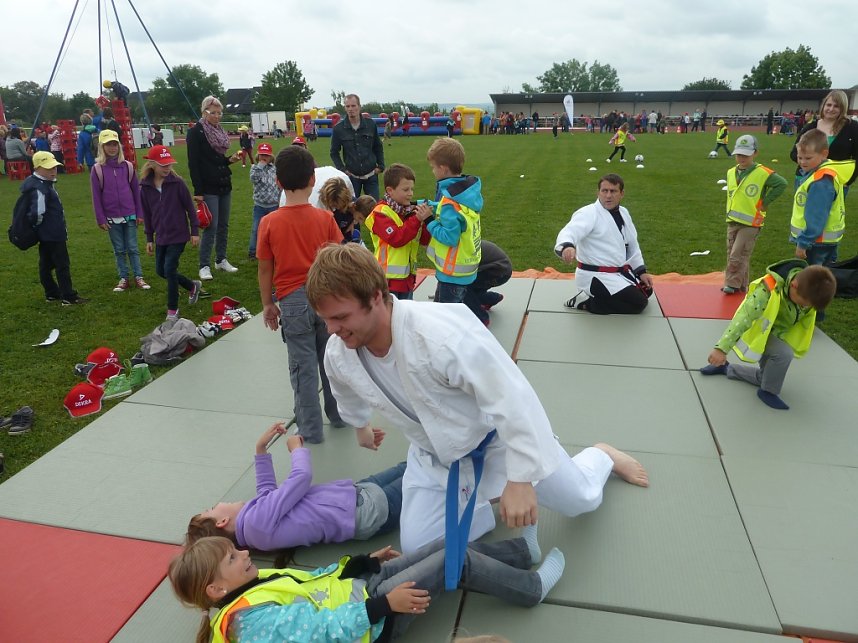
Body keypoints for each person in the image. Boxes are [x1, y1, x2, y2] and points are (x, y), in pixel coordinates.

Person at [305, 243, 649, 557]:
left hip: (497, 443)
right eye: (325, 320)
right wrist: (360, 424)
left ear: (376, 296)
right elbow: (346, 389)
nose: (332, 329)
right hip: (435, 458)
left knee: (581, 499)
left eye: (341, 317)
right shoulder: (340, 354)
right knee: (420, 548)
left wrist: (519, 478)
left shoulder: (440, 335)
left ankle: (601, 456)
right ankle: (487, 501)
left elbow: (512, 398)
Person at [169, 529, 564, 643]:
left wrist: (361, 563)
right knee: (452, 562)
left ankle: (520, 550)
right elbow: (321, 630)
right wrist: (385, 607)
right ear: (216, 590)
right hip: (372, 622)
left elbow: (314, 583)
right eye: (231, 558)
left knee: (443, 544)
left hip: (364, 592)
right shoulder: (250, 624)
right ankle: (530, 588)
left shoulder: (256, 584)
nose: (243, 552)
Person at [185, 422, 408, 551]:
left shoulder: (253, 526)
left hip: (357, 496)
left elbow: (267, 492)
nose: (219, 503)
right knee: (423, 478)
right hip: (368, 510)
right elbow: (301, 478)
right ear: (222, 521)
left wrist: (260, 448)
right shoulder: (255, 524)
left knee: (414, 467)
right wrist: (296, 450)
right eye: (212, 508)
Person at [257, 145, 345, 444]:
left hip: (292, 303)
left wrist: (268, 304)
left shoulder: (269, 223)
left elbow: (265, 270)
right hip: (327, 299)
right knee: (331, 361)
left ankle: (310, 429)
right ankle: (340, 414)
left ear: (278, 183)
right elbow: (339, 262)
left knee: (303, 368)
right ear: (312, 180)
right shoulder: (326, 220)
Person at [700, 260, 836, 410]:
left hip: (775, 332)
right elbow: (743, 318)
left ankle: (726, 369)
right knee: (783, 354)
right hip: (756, 331)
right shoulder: (767, 290)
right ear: (794, 285)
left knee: (764, 377)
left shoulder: (807, 289)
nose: (805, 307)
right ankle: (768, 391)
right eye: (804, 303)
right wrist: (721, 349)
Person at [554, 173, 654, 314]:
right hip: (595, 276)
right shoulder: (588, 213)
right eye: (604, 191)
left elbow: (633, 245)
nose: (608, 196)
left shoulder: (624, 213)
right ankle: (587, 302)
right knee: (639, 304)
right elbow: (570, 231)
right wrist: (567, 246)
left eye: (613, 191)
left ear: (622, 193)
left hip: (616, 274)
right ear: (598, 192)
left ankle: (598, 298)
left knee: (647, 290)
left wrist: (641, 271)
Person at [140, 145, 206, 321]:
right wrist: (149, 238)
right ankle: (192, 286)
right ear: (152, 164)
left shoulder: (177, 183)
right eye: (163, 165)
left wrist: (194, 231)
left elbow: (190, 209)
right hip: (161, 235)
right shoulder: (145, 187)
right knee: (161, 271)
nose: (167, 168)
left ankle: (172, 310)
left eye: (169, 164)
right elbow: (147, 214)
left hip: (179, 234)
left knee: (169, 269)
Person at [423, 138, 486, 322]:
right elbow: (450, 212)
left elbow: (449, 237)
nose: (433, 171)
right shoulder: (463, 192)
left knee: (447, 320)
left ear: (443, 168)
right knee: (452, 310)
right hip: (464, 272)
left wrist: (428, 220)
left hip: (452, 275)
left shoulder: (450, 201)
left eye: (433, 167)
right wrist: (428, 205)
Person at [720, 134, 788, 294]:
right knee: (734, 253)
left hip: (751, 223)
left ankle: (732, 284)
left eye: (746, 154)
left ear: (755, 153)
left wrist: (765, 202)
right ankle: (742, 284)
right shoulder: (731, 172)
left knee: (738, 253)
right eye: (739, 154)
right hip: (732, 220)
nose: (741, 158)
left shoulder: (763, 173)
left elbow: (781, 184)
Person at [187, 95, 243, 281]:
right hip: (208, 186)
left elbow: (219, 161)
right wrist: (198, 191)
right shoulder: (196, 132)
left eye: (220, 113)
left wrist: (230, 160)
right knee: (210, 225)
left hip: (224, 183)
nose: (217, 116)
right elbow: (194, 163)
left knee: (223, 225)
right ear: (204, 112)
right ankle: (204, 265)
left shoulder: (219, 131)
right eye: (214, 113)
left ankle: (221, 259)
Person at [21, 152, 88, 305]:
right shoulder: (40, 187)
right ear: (37, 168)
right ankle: (68, 296)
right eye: (48, 168)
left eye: (54, 167)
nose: (53, 171)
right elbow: (37, 212)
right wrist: (39, 228)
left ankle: (51, 293)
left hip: (47, 234)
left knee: (46, 264)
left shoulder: (38, 183)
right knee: (61, 265)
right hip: (52, 234)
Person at [90, 129, 150, 293]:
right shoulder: (97, 170)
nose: (112, 148)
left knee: (132, 247)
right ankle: (123, 277)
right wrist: (100, 218)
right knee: (119, 249)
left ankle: (138, 276)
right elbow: (96, 196)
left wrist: (140, 213)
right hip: (111, 216)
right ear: (102, 147)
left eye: (114, 144)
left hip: (129, 214)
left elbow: (136, 192)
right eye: (108, 144)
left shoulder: (128, 167)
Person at [364, 163, 433, 300]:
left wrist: (426, 220)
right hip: (387, 282)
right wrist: (416, 219)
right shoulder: (380, 213)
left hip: (408, 279)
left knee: (404, 317)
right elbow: (397, 239)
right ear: (390, 191)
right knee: (389, 319)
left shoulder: (408, 212)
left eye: (412, 189)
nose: (411, 194)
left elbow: (425, 240)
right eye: (406, 189)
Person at [789, 129, 847, 267]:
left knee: (814, 281)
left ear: (824, 154)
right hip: (823, 241)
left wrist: (803, 243)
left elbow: (816, 216)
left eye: (808, 158)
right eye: (800, 157)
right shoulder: (823, 172)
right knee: (825, 277)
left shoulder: (820, 182)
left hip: (816, 243)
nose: (802, 162)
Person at [790, 89, 858, 193]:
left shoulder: (852, 128)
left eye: (836, 106)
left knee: (830, 210)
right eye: (829, 105)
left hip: (836, 183)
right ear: (823, 106)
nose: (831, 109)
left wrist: (848, 180)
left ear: (843, 108)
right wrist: (809, 162)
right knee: (801, 209)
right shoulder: (810, 127)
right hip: (806, 179)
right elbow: (794, 153)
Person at [330, 94, 385, 200]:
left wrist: (381, 166)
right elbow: (334, 152)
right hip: (352, 177)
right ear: (345, 108)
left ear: (359, 107)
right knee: (352, 208)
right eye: (348, 106)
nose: (351, 109)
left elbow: (378, 146)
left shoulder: (370, 125)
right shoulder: (338, 129)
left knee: (374, 207)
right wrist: (342, 170)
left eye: (353, 106)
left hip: (371, 174)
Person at [318, 175, 375, 244]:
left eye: (340, 205)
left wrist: (353, 221)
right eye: (334, 206)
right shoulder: (319, 206)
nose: (338, 208)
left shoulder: (353, 205)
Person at [248, 142, 280, 260]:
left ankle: (274, 250)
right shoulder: (255, 168)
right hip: (260, 206)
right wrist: (260, 166)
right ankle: (252, 251)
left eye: (266, 155)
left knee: (274, 230)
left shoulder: (275, 169)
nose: (264, 158)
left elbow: (279, 185)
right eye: (261, 155)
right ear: (258, 156)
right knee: (256, 229)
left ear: (271, 156)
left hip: (274, 205)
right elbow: (254, 179)